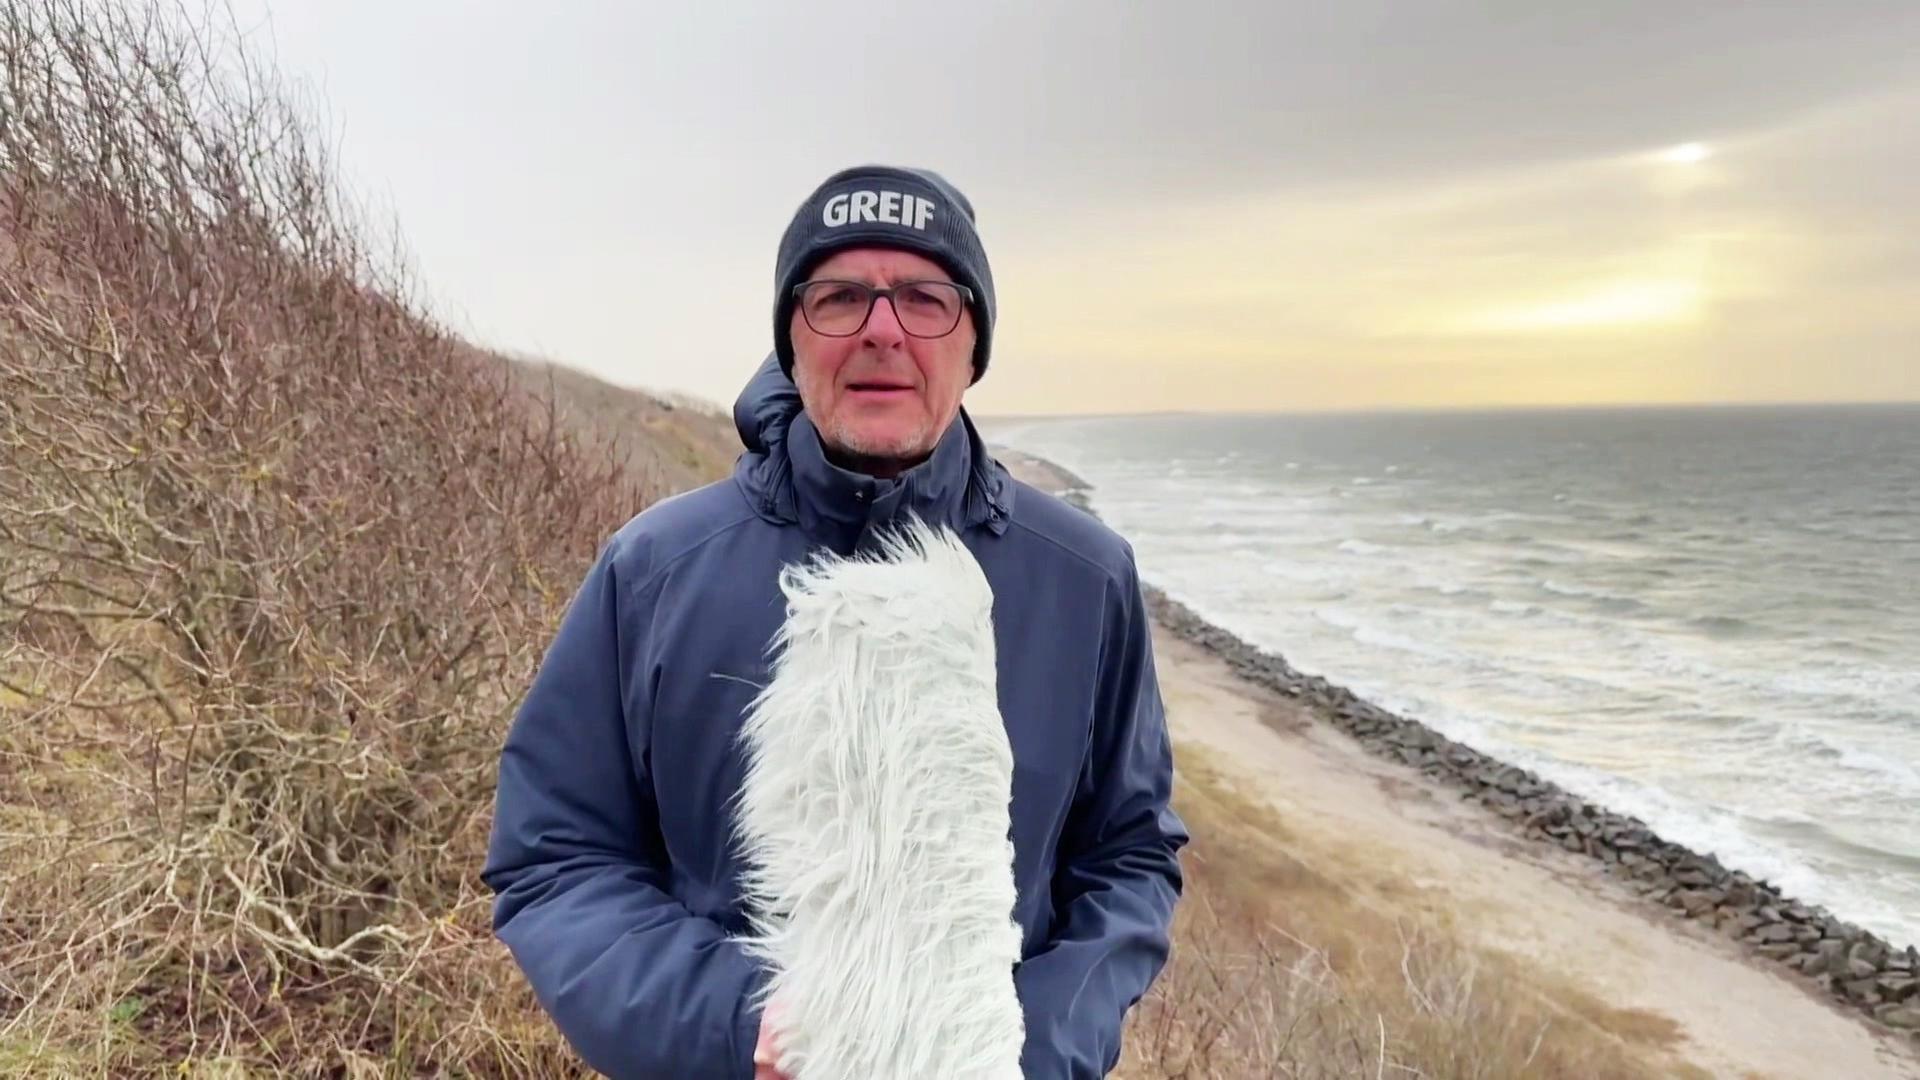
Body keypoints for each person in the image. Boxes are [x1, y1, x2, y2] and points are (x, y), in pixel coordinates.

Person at [482, 165, 1187, 1079]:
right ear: (791, 338)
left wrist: (1027, 1051)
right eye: (839, 296)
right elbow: (556, 856)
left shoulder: (1085, 578)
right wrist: (740, 1026)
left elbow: (1129, 855)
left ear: (973, 345)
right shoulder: (656, 570)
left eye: (927, 298)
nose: (882, 331)